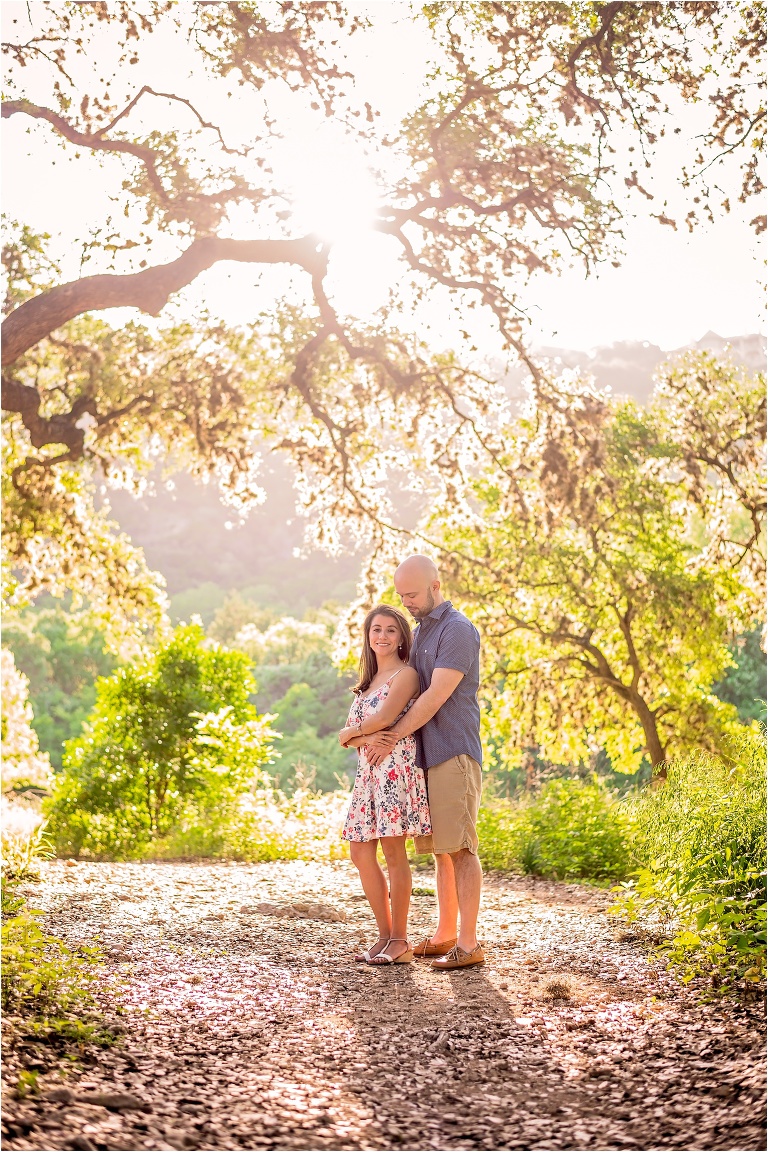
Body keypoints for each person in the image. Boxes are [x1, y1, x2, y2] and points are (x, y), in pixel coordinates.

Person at [363, 555, 484, 970]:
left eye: (411, 594)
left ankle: (468, 945)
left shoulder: (458, 630)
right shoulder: (423, 631)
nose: (406, 602)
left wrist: (391, 733)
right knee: (440, 851)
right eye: (401, 595)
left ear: (435, 585)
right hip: (425, 757)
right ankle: (444, 933)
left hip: (454, 751)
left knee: (462, 849)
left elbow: (435, 696)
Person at [338, 604, 431, 965]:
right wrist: (360, 736)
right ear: (368, 636)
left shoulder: (406, 676)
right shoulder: (366, 685)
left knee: (394, 853)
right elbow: (352, 738)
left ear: (402, 637)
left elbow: (386, 718)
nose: (382, 636)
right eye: (376, 629)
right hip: (367, 778)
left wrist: (353, 733)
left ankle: (400, 940)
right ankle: (383, 934)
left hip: (394, 771)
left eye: (391, 630)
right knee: (360, 852)